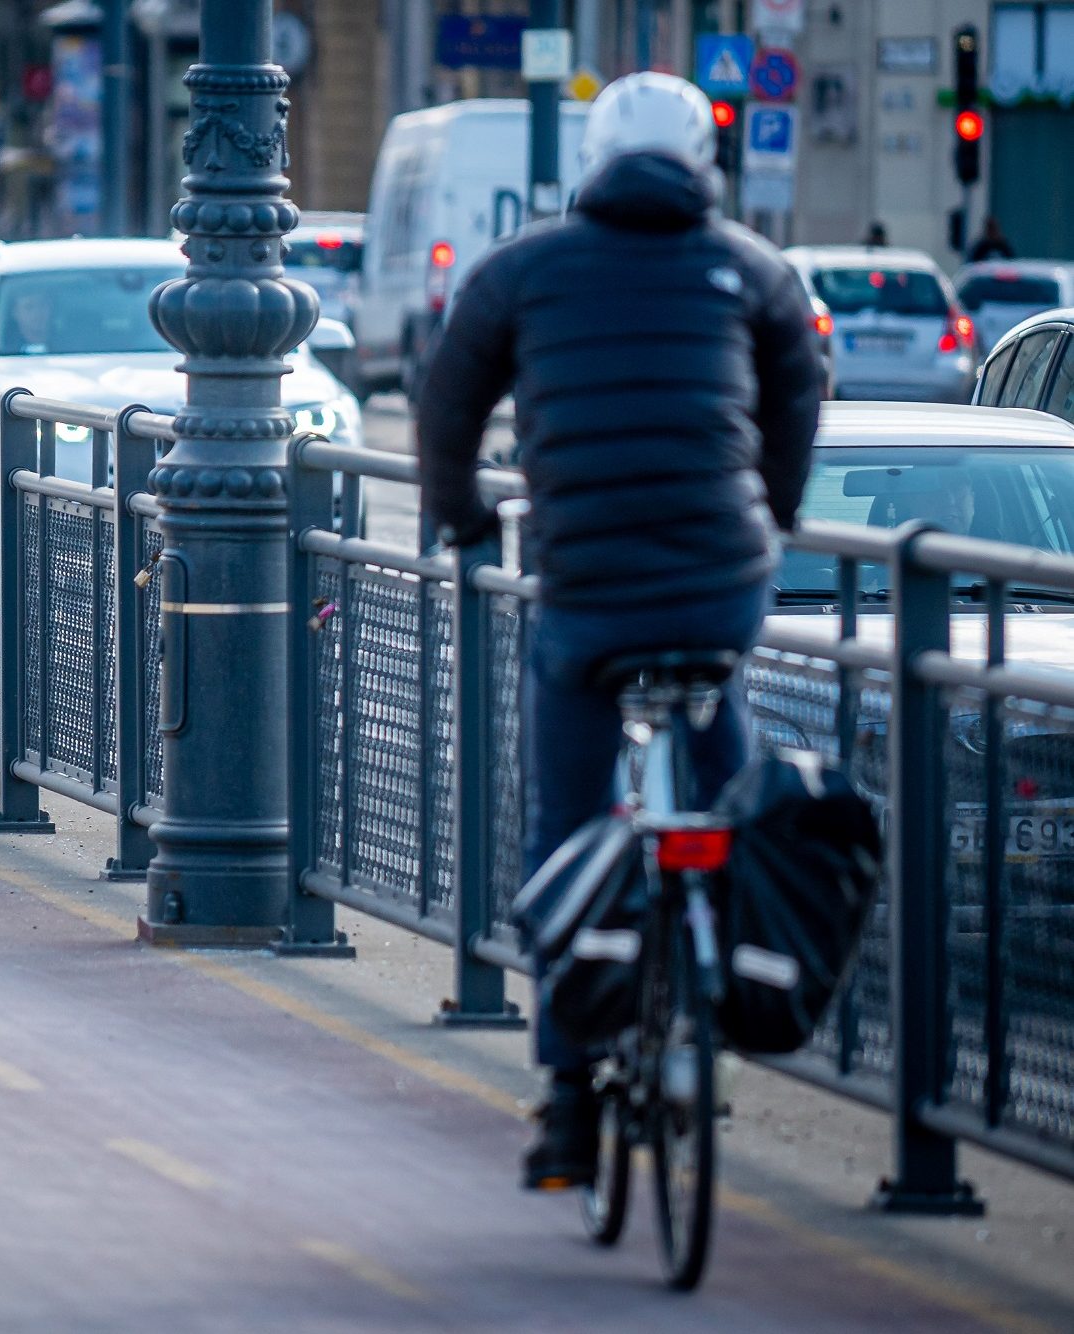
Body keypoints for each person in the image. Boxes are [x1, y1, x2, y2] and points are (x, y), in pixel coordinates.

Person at [415, 72, 824, 1192]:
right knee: (727, 779)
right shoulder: (747, 267)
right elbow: (799, 390)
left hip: (585, 587)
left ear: (587, 161)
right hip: (717, 584)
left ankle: (564, 1101)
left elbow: (446, 400)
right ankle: (726, 953)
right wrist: (769, 515)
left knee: (564, 821)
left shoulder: (524, 269)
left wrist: (455, 514)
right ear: (704, 160)